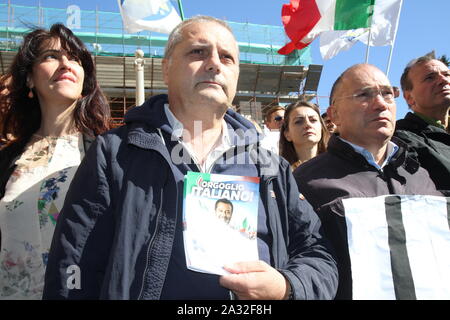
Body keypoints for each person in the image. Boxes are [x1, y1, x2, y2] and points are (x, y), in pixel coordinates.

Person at [43, 16, 338, 300]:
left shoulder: (272, 168)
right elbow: (73, 263)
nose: (214, 64)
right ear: (166, 68)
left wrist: (286, 285)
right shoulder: (115, 153)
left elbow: (319, 254)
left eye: (227, 58)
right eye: (198, 52)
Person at [293, 63, 442, 299]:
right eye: (364, 94)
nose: (381, 103)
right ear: (334, 115)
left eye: (386, 94)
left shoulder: (422, 174)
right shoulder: (304, 181)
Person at [0, 23, 110, 299]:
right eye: (51, 56)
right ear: (29, 78)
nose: (65, 63)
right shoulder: (6, 159)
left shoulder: (107, 153)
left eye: (74, 58)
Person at [394, 54, 450, 191]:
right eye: (430, 77)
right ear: (409, 97)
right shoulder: (400, 141)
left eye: (447, 74)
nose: (443, 80)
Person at [279, 100, 329, 170]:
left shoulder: (340, 165)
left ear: (321, 127)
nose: (308, 124)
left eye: (313, 120)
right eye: (298, 121)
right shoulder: (278, 173)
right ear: (287, 134)